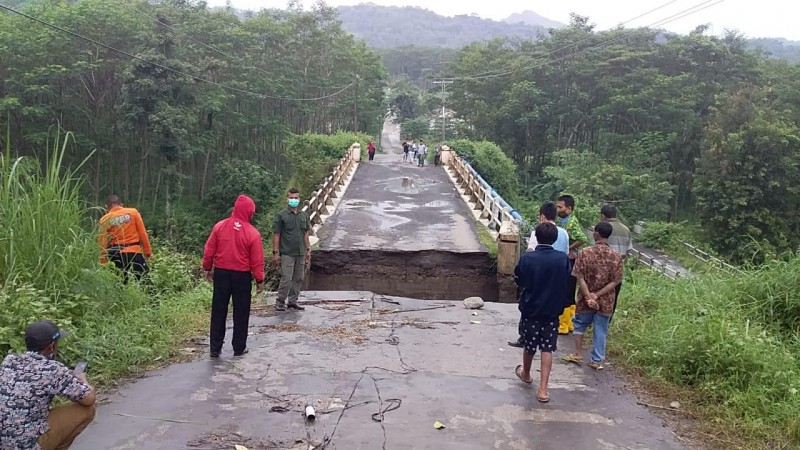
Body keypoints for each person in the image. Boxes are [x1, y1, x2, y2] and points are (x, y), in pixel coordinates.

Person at [1, 320, 96, 450]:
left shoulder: (9, 360)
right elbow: (89, 399)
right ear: (52, 346)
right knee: (88, 409)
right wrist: (83, 379)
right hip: (26, 444)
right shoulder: (53, 369)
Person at [513, 223, 571, 403]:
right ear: (555, 239)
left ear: (536, 237)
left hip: (531, 308)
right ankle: (543, 389)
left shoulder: (527, 258)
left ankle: (527, 374)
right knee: (547, 347)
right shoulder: (562, 259)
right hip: (552, 310)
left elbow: (519, 279)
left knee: (529, 345)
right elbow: (567, 280)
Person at [202, 195, 265, 358]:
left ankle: (215, 348)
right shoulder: (252, 233)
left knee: (218, 311)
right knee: (241, 312)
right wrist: (259, 280)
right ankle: (239, 347)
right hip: (242, 277)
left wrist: (207, 268)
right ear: (249, 212)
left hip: (221, 274)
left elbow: (209, 250)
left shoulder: (220, 226)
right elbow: (257, 260)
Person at [562, 222, 623, 370]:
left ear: (596, 234)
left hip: (585, 298)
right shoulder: (617, 257)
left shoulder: (585, 252)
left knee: (580, 324)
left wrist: (589, 295)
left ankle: (577, 353)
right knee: (601, 329)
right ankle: (597, 361)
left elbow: (579, 276)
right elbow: (615, 281)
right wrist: (597, 295)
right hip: (606, 300)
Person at [509, 203, 570, 348]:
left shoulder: (538, 232)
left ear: (542, 216)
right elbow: (566, 254)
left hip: (536, 279)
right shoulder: (564, 233)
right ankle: (546, 342)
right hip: (555, 280)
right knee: (550, 320)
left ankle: (525, 338)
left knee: (529, 310)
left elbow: (530, 251)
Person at [97, 195, 153, 283]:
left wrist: (103, 261)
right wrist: (147, 251)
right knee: (145, 282)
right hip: (134, 252)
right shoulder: (133, 212)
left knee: (120, 285)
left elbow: (102, 242)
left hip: (116, 254)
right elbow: (142, 233)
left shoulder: (104, 219)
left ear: (107, 206)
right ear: (121, 204)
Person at [273, 188, 312, 312]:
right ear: (287, 199)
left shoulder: (303, 216)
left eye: (296, 198)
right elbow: (277, 234)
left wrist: (308, 249)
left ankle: (293, 301)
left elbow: (305, 234)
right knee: (286, 278)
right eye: (291, 198)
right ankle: (280, 302)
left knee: (299, 278)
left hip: (300, 252)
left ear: (299, 199)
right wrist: (275, 253)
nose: (294, 200)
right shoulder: (282, 216)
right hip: (287, 252)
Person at [556, 194, 587, 335]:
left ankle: (563, 324)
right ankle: (569, 323)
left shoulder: (571, 223)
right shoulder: (564, 221)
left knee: (566, 290)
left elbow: (582, 238)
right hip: (568, 258)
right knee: (569, 290)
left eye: (560, 207)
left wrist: (569, 248)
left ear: (569, 209)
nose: (558, 210)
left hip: (570, 259)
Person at [600, 204, 633, 321]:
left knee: (599, 295)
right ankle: (607, 321)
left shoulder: (603, 228)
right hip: (618, 270)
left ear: (603, 216)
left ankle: (597, 322)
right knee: (613, 297)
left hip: (603, 269)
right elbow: (628, 251)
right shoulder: (626, 229)